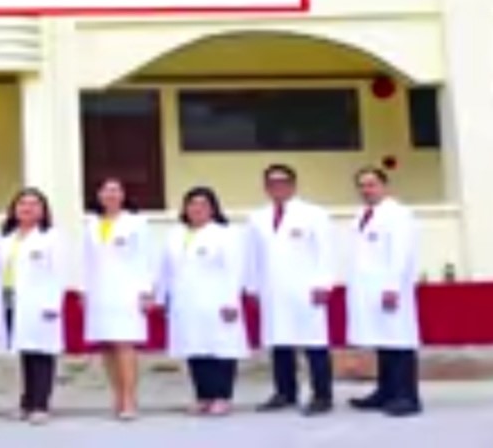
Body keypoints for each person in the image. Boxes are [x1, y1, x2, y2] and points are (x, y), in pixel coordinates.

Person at [247, 162, 337, 415]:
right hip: (272, 289)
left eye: (282, 182)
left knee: (314, 343)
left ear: (293, 185)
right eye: (272, 183)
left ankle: (322, 395)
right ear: (266, 187)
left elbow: (326, 251)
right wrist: (252, 286)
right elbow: (252, 256)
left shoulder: (314, 214)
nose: (277, 187)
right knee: (279, 342)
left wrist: (323, 283)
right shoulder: (257, 218)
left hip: (306, 289)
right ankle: (285, 392)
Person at [157, 185, 248, 417]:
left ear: (213, 209)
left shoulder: (225, 234)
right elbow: (165, 270)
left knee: (221, 349)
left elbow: (235, 269)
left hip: (217, 301)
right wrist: (161, 297)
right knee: (194, 348)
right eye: (192, 204)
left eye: (203, 204)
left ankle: (222, 396)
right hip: (185, 302)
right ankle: (203, 396)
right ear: (185, 208)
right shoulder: (175, 235)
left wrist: (232, 300)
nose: (197, 209)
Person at [347, 166, 423, 418]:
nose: (366, 190)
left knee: (399, 342)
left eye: (371, 184)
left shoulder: (398, 214)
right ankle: (385, 392)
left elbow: (401, 254)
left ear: (384, 186)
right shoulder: (362, 214)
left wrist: (393, 286)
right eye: (361, 185)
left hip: (390, 288)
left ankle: (407, 397)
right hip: (369, 289)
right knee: (383, 343)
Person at [0, 187, 64, 425]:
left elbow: (58, 272)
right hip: (10, 299)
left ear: (43, 210)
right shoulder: (6, 238)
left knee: (41, 353)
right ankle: (26, 402)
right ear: (14, 209)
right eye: (22, 204)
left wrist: (52, 303)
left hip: (39, 303)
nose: (27, 208)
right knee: (24, 351)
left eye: (34, 204)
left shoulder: (51, 237)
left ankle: (40, 405)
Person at [82, 176, 153, 420]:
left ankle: (130, 399)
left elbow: (146, 257)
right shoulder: (91, 224)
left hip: (127, 291)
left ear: (123, 195)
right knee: (108, 345)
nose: (111, 195)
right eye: (106, 190)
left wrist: (146, 290)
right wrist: (84, 290)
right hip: (100, 291)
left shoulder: (137, 222)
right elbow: (86, 260)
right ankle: (118, 395)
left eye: (116, 190)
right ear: (99, 195)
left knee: (125, 343)